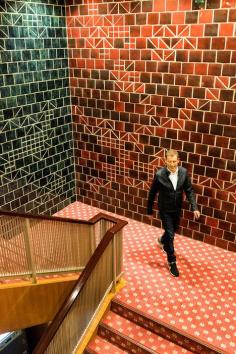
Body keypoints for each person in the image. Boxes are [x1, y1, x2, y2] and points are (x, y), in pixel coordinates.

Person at [147, 149, 200, 277]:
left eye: (174, 161)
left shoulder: (183, 172)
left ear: (178, 160)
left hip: (177, 208)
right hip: (165, 209)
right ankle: (172, 261)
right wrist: (149, 209)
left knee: (172, 231)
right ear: (166, 161)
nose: (172, 164)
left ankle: (162, 240)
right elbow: (152, 193)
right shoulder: (159, 174)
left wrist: (194, 207)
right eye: (169, 162)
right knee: (171, 235)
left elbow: (189, 190)